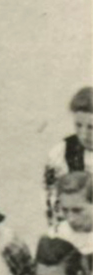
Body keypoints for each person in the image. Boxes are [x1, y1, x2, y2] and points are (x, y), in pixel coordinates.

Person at [44, 86, 93, 230]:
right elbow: (52, 199)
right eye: (78, 125)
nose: (83, 134)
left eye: (91, 127)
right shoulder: (62, 152)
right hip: (74, 229)